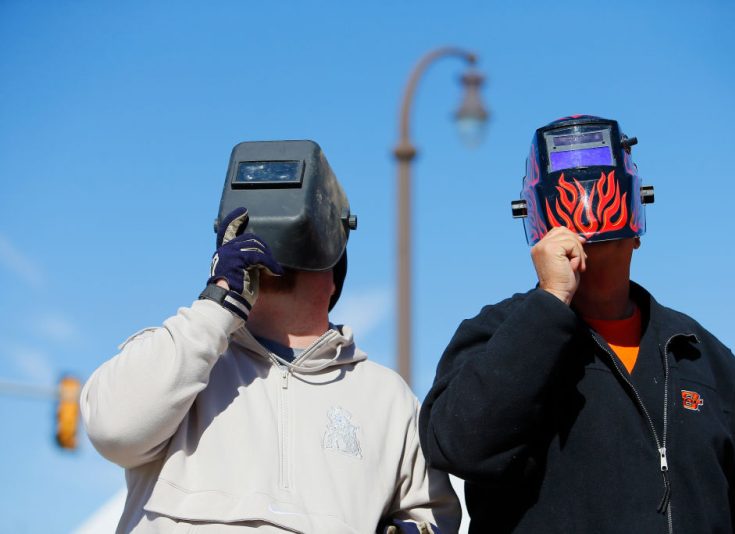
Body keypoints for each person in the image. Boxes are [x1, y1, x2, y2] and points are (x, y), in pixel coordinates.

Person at [419, 116, 735, 533]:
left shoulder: (696, 352)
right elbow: (458, 446)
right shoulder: (497, 334)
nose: (590, 246)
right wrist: (550, 303)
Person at [81, 140, 461, 533]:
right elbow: (113, 431)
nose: (273, 252)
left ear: (335, 274)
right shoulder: (183, 358)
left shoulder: (388, 399)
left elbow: (436, 518)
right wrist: (218, 303)